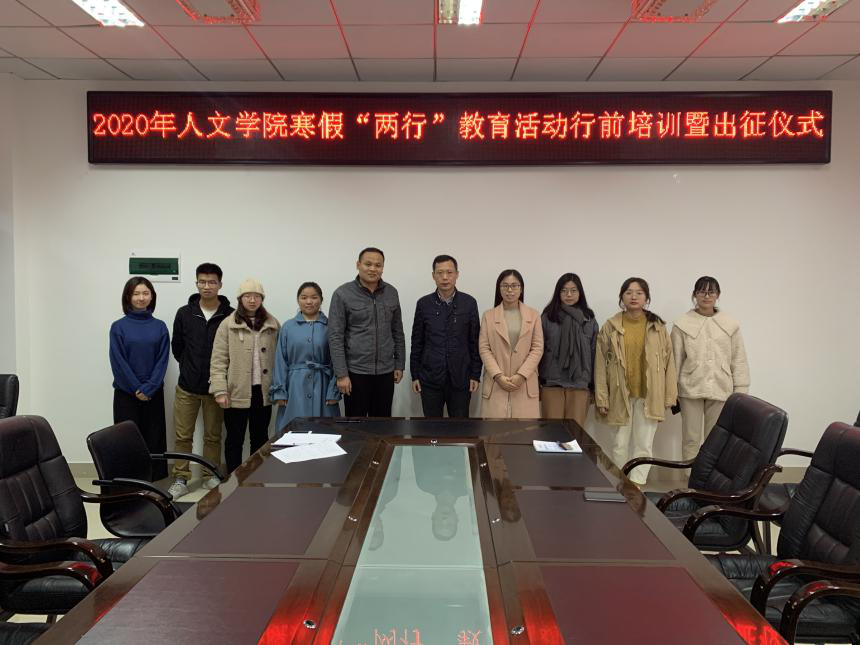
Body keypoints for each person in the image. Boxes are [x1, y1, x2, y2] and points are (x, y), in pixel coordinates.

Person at [595, 277, 677, 486]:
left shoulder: (658, 327)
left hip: (649, 396)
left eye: (639, 293)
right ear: (622, 297)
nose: (634, 297)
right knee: (619, 444)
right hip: (619, 394)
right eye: (629, 292)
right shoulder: (610, 326)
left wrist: (669, 397)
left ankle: (637, 486)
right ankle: (620, 483)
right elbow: (600, 364)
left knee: (643, 445)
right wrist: (602, 398)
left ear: (646, 298)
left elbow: (669, 363)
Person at [167, 263, 234, 500]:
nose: (207, 286)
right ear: (196, 283)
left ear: (220, 284)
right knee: (183, 436)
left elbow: (232, 351)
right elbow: (177, 347)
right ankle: (180, 478)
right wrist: (188, 366)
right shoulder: (184, 313)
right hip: (187, 386)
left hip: (216, 388)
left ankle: (210, 475)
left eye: (212, 282)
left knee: (213, 436)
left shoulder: (230, 314)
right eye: (202, 282)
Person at [671, 276, 750, 462]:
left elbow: (738, 358)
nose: (706, 296)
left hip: (721, 387)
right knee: (690, 438)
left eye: (711, 292)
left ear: (718, 295)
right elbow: (675, 359)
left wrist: (741, 390)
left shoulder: (730, 324)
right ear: (694, 295)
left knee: (715, 440)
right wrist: (672, 389)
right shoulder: (682, 324)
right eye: (702, 292)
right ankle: (689, 477)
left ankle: (708, 478)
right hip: (690, 388)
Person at [210, 279, 280, 473]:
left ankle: (257, 477)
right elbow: (218, 360)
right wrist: (220, 390)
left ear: (262, 299)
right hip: (236, 391)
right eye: (247, 296)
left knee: (260, 437)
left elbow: (281, 358)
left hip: (262, 391)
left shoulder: (273, 324)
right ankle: (233, 478)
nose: (252, 300)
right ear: (240, 299)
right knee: (234, 439)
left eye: (257, 296)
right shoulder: (228, 324)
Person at [328, 247, 406, 417]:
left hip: (386, 372)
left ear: (383, 268)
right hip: (355, 372)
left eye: (378, 265)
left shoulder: (391, 292)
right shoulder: (342, 294)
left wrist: (399, 364)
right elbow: (335, 337)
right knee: (356, 425)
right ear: (358, 265)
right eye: (368, 264)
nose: (373, 269)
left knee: (383, 423)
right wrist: (341, 374)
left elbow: (397, 331)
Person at [109, 277, 170, 481]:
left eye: (145, 293)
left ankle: (154, 484)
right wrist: (137, 387)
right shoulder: (118, 327)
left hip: (153, 394)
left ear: (152, 296)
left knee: (154, 440)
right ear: (128, 297)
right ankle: (129, 484)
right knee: (126, 441)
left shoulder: (160, 327)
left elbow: (162, 360)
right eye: (136, 294)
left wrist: (149, 387)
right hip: (126, 394)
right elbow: (118, 361)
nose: (141, 298)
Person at [410, 255, 481, 418]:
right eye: (440, 272)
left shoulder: (469, 303)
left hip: (461, 378)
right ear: (433, 275)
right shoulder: (424, 304)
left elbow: (475, 341)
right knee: (431, 427)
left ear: (457, 274)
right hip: (430, 378)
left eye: (449, 272)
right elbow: (417, 342)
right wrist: (415, 375)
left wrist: (475, 374)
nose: (445, 277)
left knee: (460, 427)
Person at [271, 282, 341, 432]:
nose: (309, 301)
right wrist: (280, 391)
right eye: (304, 297)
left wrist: (334, 390)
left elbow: (338, 359)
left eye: (314, 297)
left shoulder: (331, 326)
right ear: (298, 300)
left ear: (321, 300)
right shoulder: (288, 327)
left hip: (324, 386)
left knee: (325, 432)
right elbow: (280, 361)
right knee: (293, 433)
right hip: (294, 387)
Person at [478, 269, 543, 419]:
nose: (509, 290)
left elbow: (537, 348)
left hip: (524, 383)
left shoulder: (534, 315)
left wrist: (521, 375)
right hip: (496, 383)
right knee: (494, 430)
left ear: (521, 288)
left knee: (525, 430)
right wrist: (498, 376)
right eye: (505, 286)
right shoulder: (488, 315)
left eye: (514, 285)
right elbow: (484, 348)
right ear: (499, 288)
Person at [539, 273, 598, 428]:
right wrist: (538, 380)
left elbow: (594, 353)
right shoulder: (548, 317)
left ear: (580, 293)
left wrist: (593, 384)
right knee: (551, 432)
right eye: (564, 291)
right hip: (552, 383)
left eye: (573, 290)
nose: (569, 294)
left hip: (580, 384)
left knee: (575, 434)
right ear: (558, 293)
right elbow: (539, 350)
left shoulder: (589, 319)